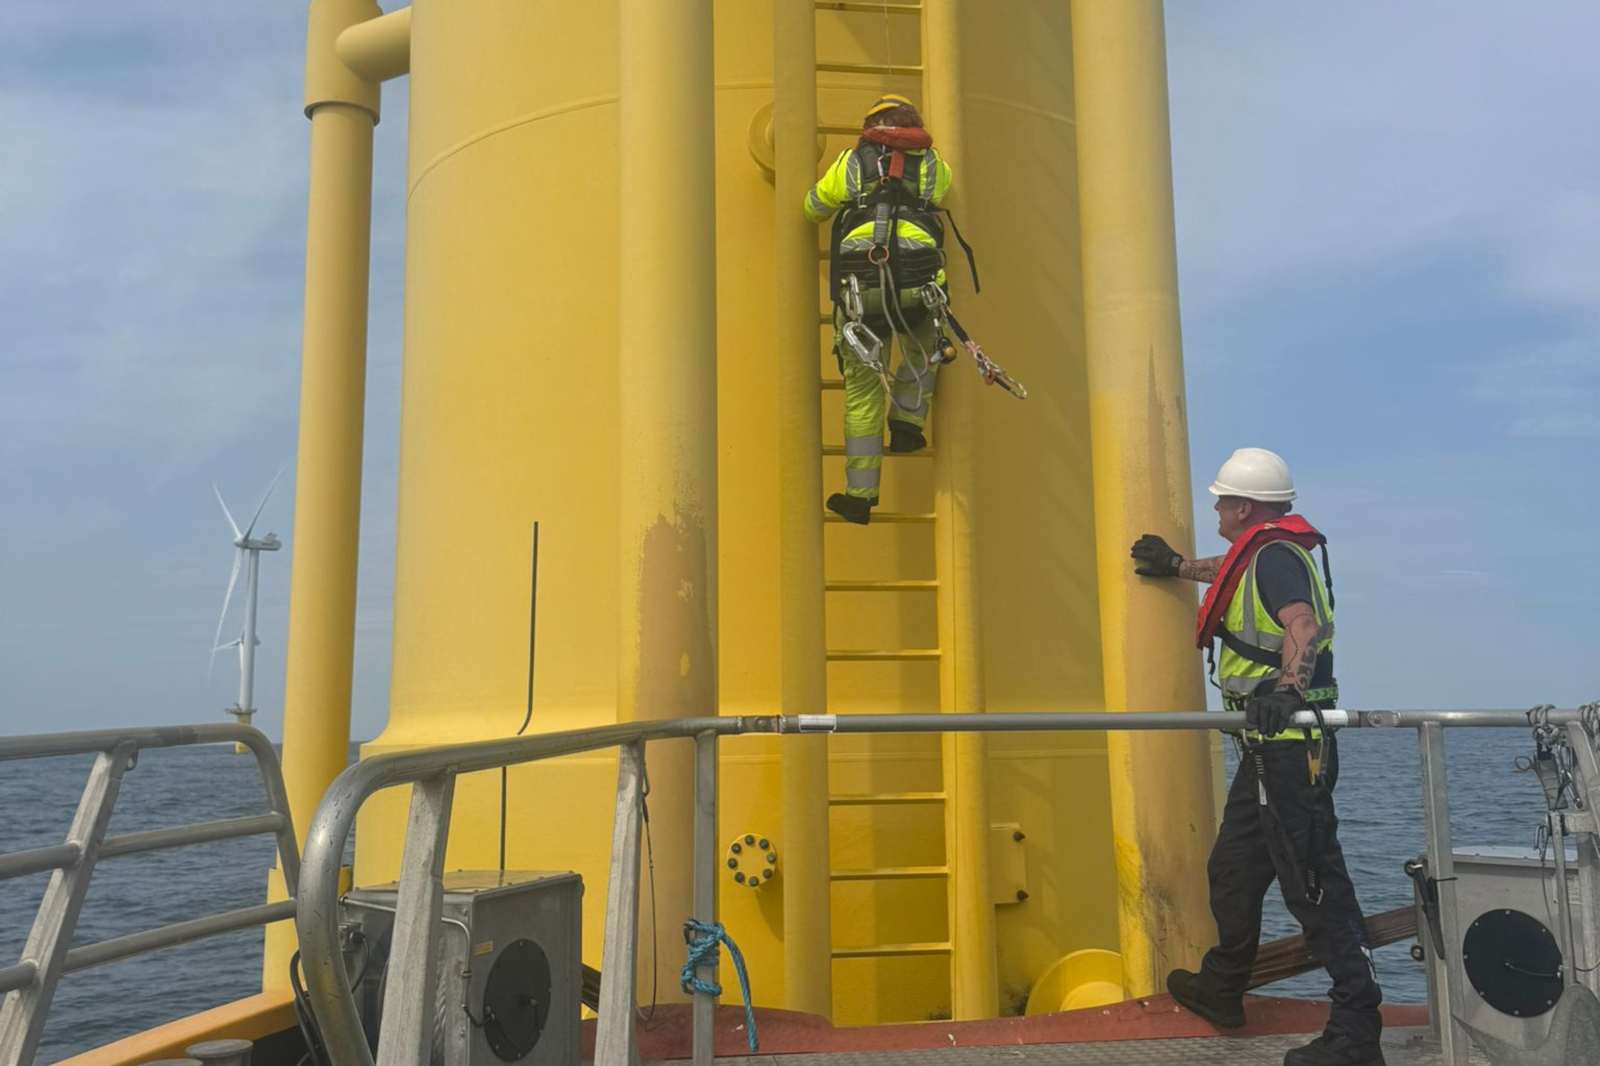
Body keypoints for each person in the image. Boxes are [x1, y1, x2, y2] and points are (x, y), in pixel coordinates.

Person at [1129, 447, 1385, 1066]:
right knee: (1234, 870)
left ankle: (1357, 1029)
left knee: (1313, 885)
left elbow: (1302, 626)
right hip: (1267, 753)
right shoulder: (1265, 554)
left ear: (1242, 506)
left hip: (1292, 751)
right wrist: (1176, 566)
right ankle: (1223, 986)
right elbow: (1232, 574)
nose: (1214, 508)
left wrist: (1285, 689)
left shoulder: (1273, 557)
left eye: (1220, 499)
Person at [804, 94, 953, 525]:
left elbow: (813, 208)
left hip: (861, 291)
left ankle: (860, 496)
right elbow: (942, 190)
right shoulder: (932, 164)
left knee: (863, 394)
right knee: (926, 344)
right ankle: (907, 424)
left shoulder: (852, 163)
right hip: (917, 289)